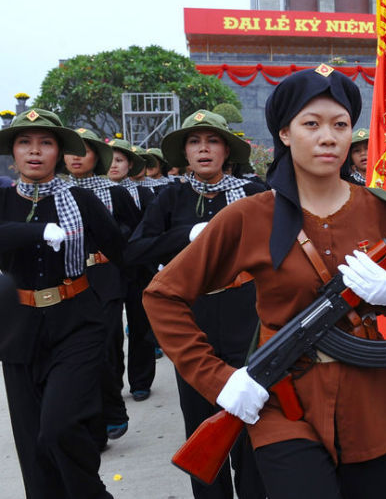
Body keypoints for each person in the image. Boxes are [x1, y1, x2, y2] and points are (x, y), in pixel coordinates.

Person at [143, 71, 386, 499]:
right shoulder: (249, 216)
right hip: (283, 404)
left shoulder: (380, 210)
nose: (328, 137)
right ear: (284, 134)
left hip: (369, 405)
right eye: (312, 124)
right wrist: (218, 379)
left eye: (340, 125)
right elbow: (163, 295)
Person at [130, 110, 268, 499]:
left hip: (249, 316)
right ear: (185, 153)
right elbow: (136, 250)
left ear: (227, 150)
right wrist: (187, 235)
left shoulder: (255, 194)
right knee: (201, 423)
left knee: (253, 419)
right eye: (194, 142)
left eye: (212, 141)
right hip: (193, 320)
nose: (203, 149)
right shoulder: (169, 197)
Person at [0, 109, 126, 499]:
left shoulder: (81, 199)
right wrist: (38, 231)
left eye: (46, 143)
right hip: (18, 330)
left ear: (59, 152)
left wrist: (186, 247)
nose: (34, 151)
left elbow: (125, 250)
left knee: (60, 427)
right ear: (13, 152)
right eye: (25, 142)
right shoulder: (3, 199)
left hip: (77, 325)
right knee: (33, 447)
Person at [63, 128, 142, 447]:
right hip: (70, 280)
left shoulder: (114, 192)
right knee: (78, 353)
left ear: (97, 156)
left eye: (84, 151)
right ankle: (91, 420)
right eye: (71, 151)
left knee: (106, 345)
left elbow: (136, 233)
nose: (76, 157)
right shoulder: (56, 192)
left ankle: (113, 412)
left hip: (107, 277)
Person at [108, 138, 159, 401]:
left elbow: (150, 229)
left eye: (119, 160)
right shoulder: (93, 193)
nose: (113, 165)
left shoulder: (144, 193)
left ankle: (141, 381)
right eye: (109, 160)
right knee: (110, 331)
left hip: (139, 268)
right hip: (107, 271)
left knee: (140, 324)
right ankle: (112, 383)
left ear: (130, 164)